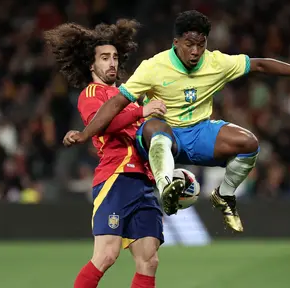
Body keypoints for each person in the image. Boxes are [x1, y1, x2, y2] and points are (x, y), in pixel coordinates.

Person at [65, 10, 290, 232]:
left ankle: (225, 195)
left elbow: (259, 64)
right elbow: (116, 103)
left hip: (199, 134)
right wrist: (86, 134)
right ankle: (166, 187)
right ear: (176, 42)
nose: (195, 51)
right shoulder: (154, 67)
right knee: (157, 127)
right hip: (162, 136)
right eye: (189, 44)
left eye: (201, 44)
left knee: (249, 143)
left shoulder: (216, 63)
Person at [45, 20, 180, 288]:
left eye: (115, 58)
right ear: (91, 65)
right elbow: (102, 123)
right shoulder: (91, 93)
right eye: (105, 58)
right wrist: (142, 110)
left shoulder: (127, 94)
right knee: (106, 255)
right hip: (116, 179)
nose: (112, 64)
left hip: (143, 181)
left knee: (149, 261)